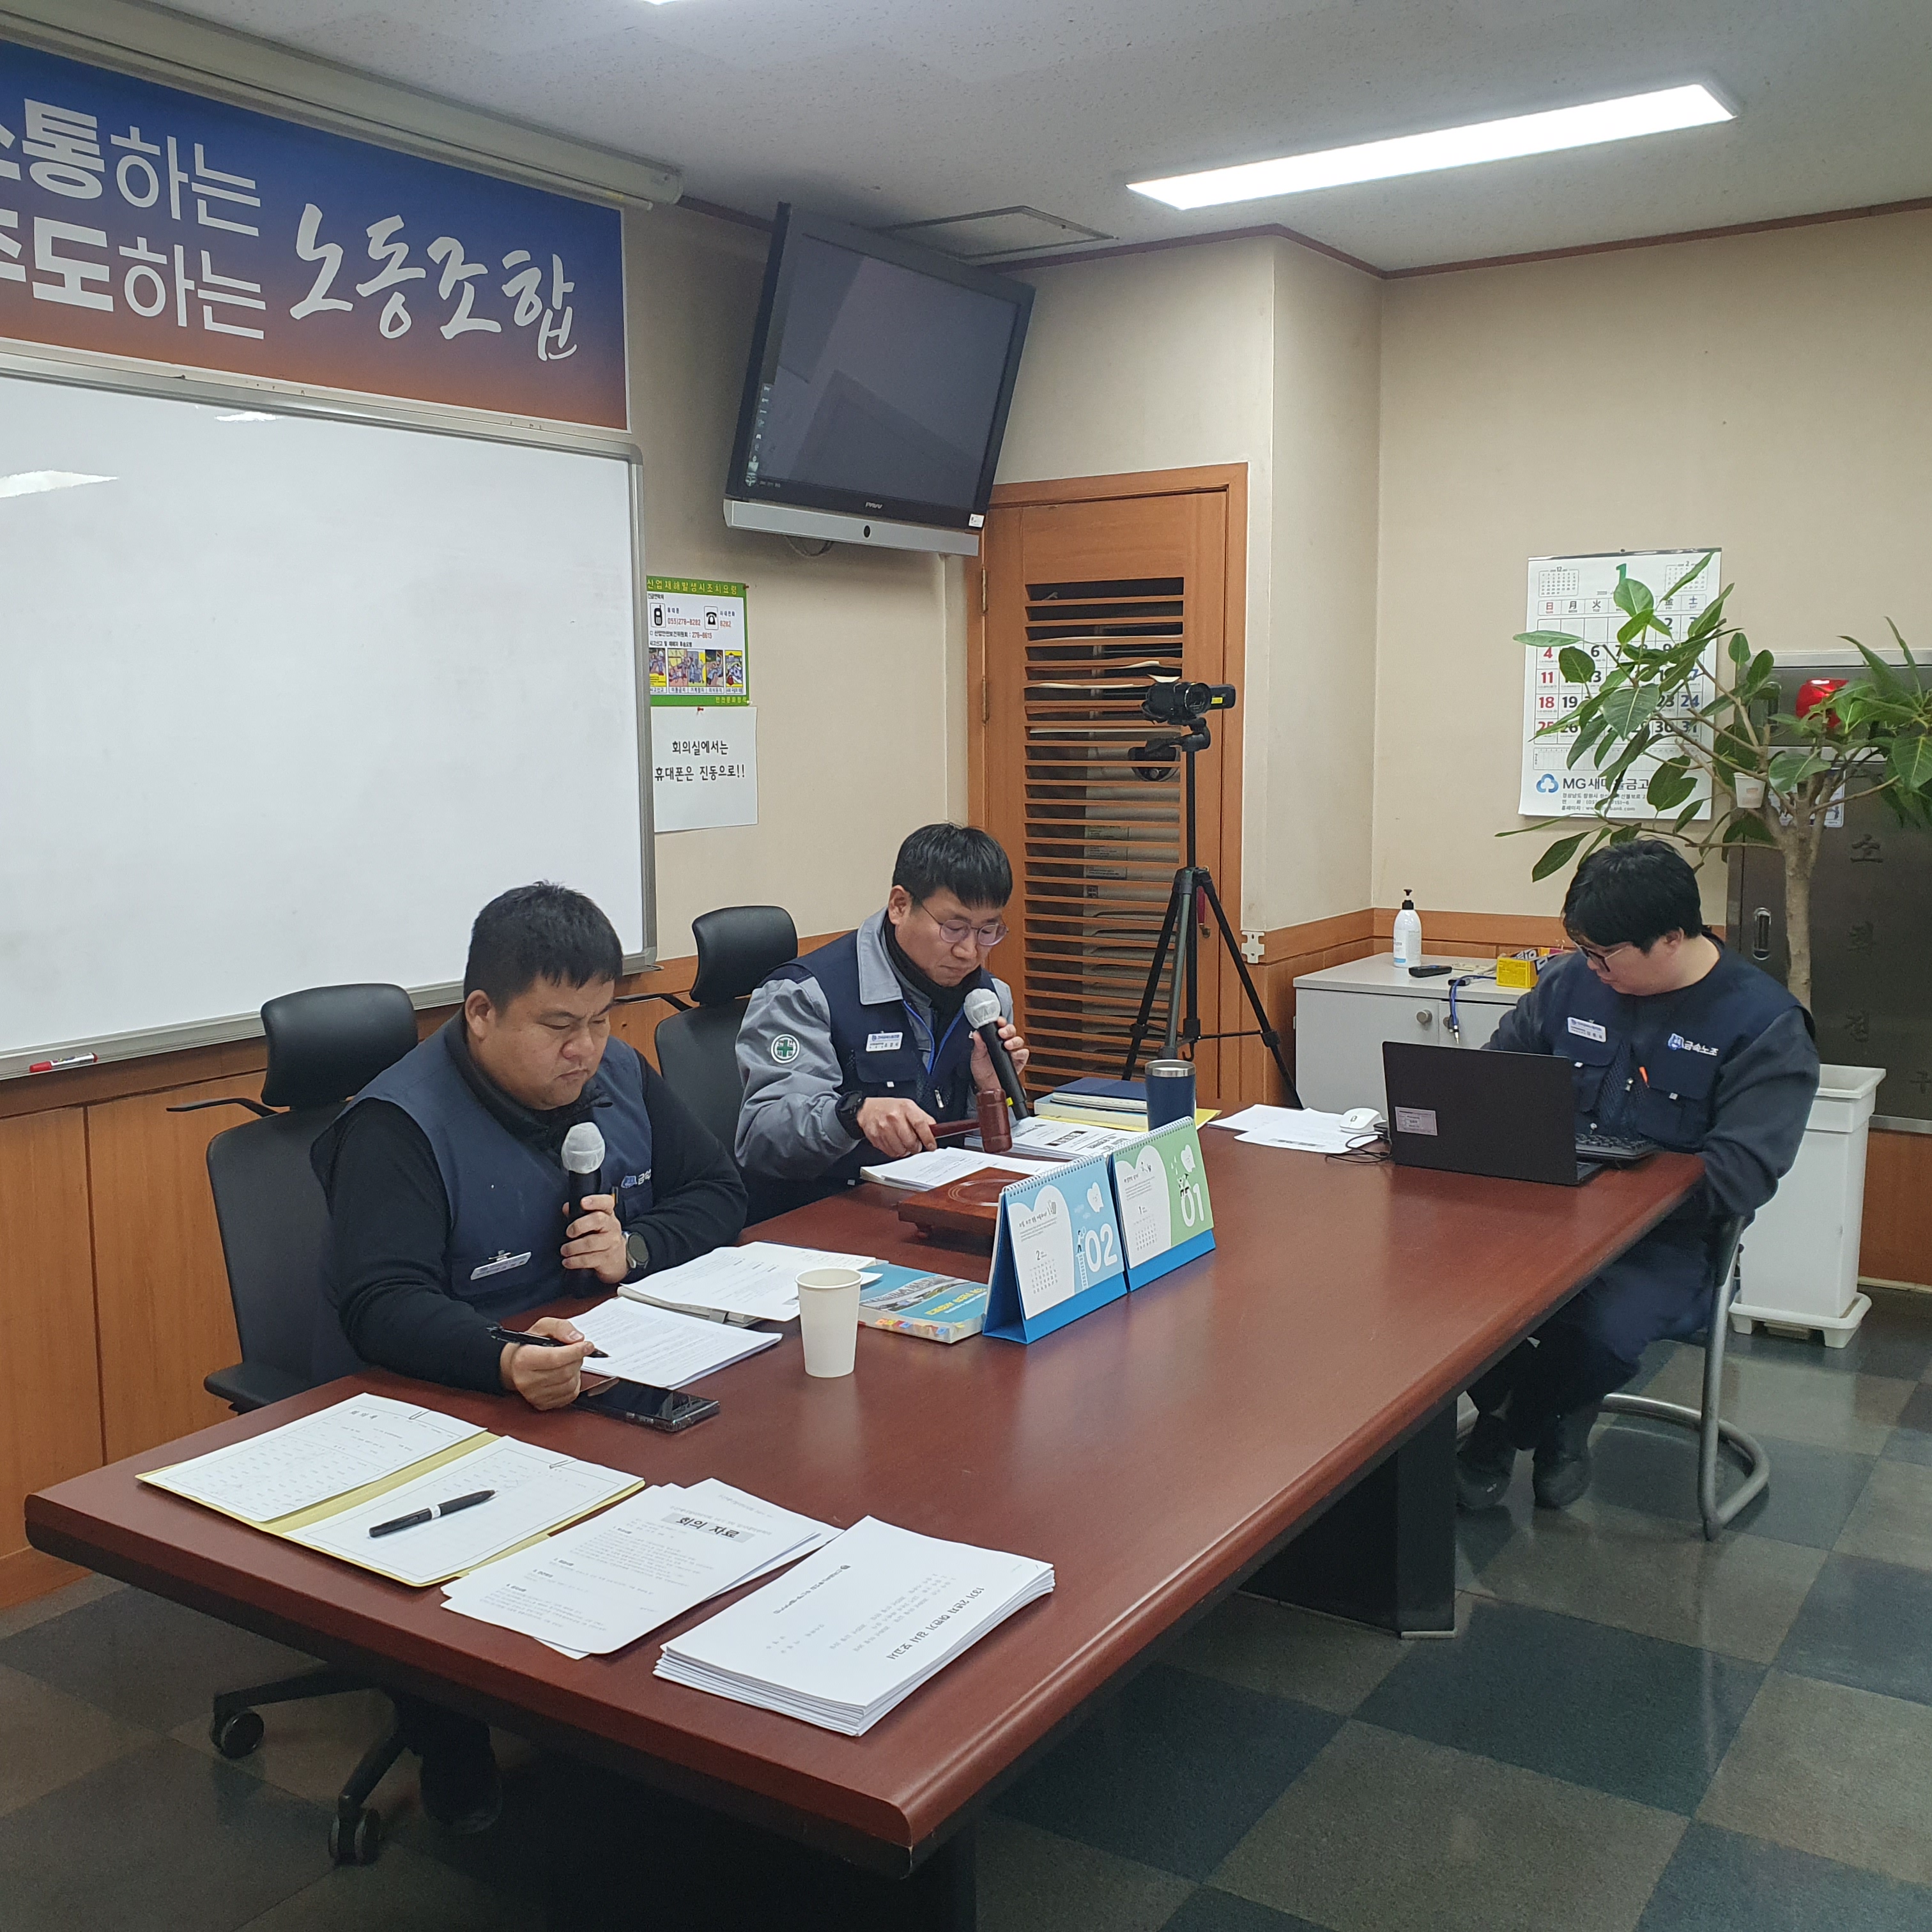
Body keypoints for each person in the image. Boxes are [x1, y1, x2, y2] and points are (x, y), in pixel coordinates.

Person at [311, 881, 746, 1828]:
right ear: (481, 1013)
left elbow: (719, 1188)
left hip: (597, 1366)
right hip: (451, 1392)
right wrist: (502, 1357)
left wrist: (638, 1247)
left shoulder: (619, 1072)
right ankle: (449, 1728)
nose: (584, 1049)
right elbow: (381, 1303)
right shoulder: (398, 1124)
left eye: (599, 1020)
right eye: (558, 1027)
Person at [1457, 840, 1818, 1513]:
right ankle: (1549, 1412)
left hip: (1668, 1242)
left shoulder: (1762, 1023)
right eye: (1584, 952)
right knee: (1441, 1283)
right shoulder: (1571, 983)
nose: (1592, 970)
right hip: (1544, 1217)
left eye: (1606, 955)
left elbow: (1741, 1175)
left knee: (1603, 1328)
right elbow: (1495, 1080)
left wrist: (1616, 1200)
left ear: (1672, 938)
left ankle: (1508, 1426)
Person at [735, 824, 1029, 1212]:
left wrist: (989, 1091)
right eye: (954, 928)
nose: (970, 952)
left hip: (942, 1206)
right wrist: (853, 1115)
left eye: (988, 930)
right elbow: (762, 1135)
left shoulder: (989, 1000)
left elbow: (992, 1151)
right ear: (900, 906)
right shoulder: (805, 994)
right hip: (829, 1213)